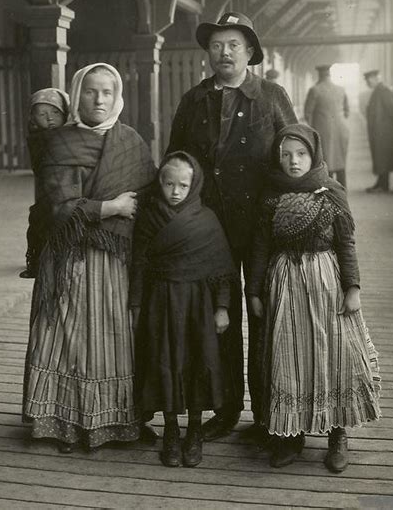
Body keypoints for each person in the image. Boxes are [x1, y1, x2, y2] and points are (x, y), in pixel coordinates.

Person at [166, 12, 297, 442]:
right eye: (217, 45)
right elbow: (176, 162)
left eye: (234, 45)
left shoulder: (272, 96)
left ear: (250, 53)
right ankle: (223, 409)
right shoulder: (194, 100)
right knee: (217, 318)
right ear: (208, 52)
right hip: (210, 229)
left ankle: (267, 413)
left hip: (263, 227)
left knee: (263, 313)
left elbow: (296, 154)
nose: (224, 53)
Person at [22, 63, 156, 453]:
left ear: (118, 98)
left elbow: (148, 196)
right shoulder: (60, 142)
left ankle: (115, 422)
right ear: (76, 94)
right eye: (90, 91)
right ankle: (61, 422)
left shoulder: (130, 140)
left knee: (114, 337)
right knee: (66, 335)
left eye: (107, 92)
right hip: (69, 257)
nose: (99, 100)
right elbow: (56, 207)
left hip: (116, 261)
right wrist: (110, 207)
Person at [247, 124, 381, 472]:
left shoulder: (332, 193)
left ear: (314, 154)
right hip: (286, 284)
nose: (294, 161)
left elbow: (346, 244)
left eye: (301, 154)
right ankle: (291, 435)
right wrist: (255, 291)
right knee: (290, 357)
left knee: (333, 355)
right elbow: (259, 248)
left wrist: (352, 288)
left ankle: (338, 434)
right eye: (286, 155)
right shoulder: (270, 197)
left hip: (325, 283)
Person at [130, 152, 238, 468]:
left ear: (194, 185)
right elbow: (139, 262)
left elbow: (221, 269)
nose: (175, 191)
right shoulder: (149, 217)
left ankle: (194, 431)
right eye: (168, 184)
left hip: (198, 306)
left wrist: (222, 308)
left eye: (182, 185)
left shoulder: (207, 219)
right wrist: (136, 303)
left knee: (196, 363)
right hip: (161, 303)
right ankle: (171, 431)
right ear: (159, 183)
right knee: (165, 361)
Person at [19, 88, 70, 279]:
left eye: (55, 112)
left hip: (68, 189)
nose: (49, 118)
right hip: (48, 189)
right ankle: (36, 262)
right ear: (33, 118)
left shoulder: (71, 135)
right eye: (42, 114)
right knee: (38, 222)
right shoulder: (37, 138)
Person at [304, 64, 350, 188]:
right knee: (340, 161)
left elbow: (307, 113)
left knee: (325, 161)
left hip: (322, 130)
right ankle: (342, 190)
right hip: (342, 129)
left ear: (319, 75)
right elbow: (347, 111)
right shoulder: (341, 89)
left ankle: (329, 192)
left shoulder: (315, 90)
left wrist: (313, 127)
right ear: (330, 75)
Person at [363, 70, 393, 192]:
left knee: (383, 157)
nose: (367, 83)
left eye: (368, 80)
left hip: (384, 132)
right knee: (380, 157)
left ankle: (383, 185)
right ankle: (381, 183)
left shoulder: (383, 91)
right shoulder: (379, 91)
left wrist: (388, 126)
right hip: (379, 131)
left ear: (375, 78)